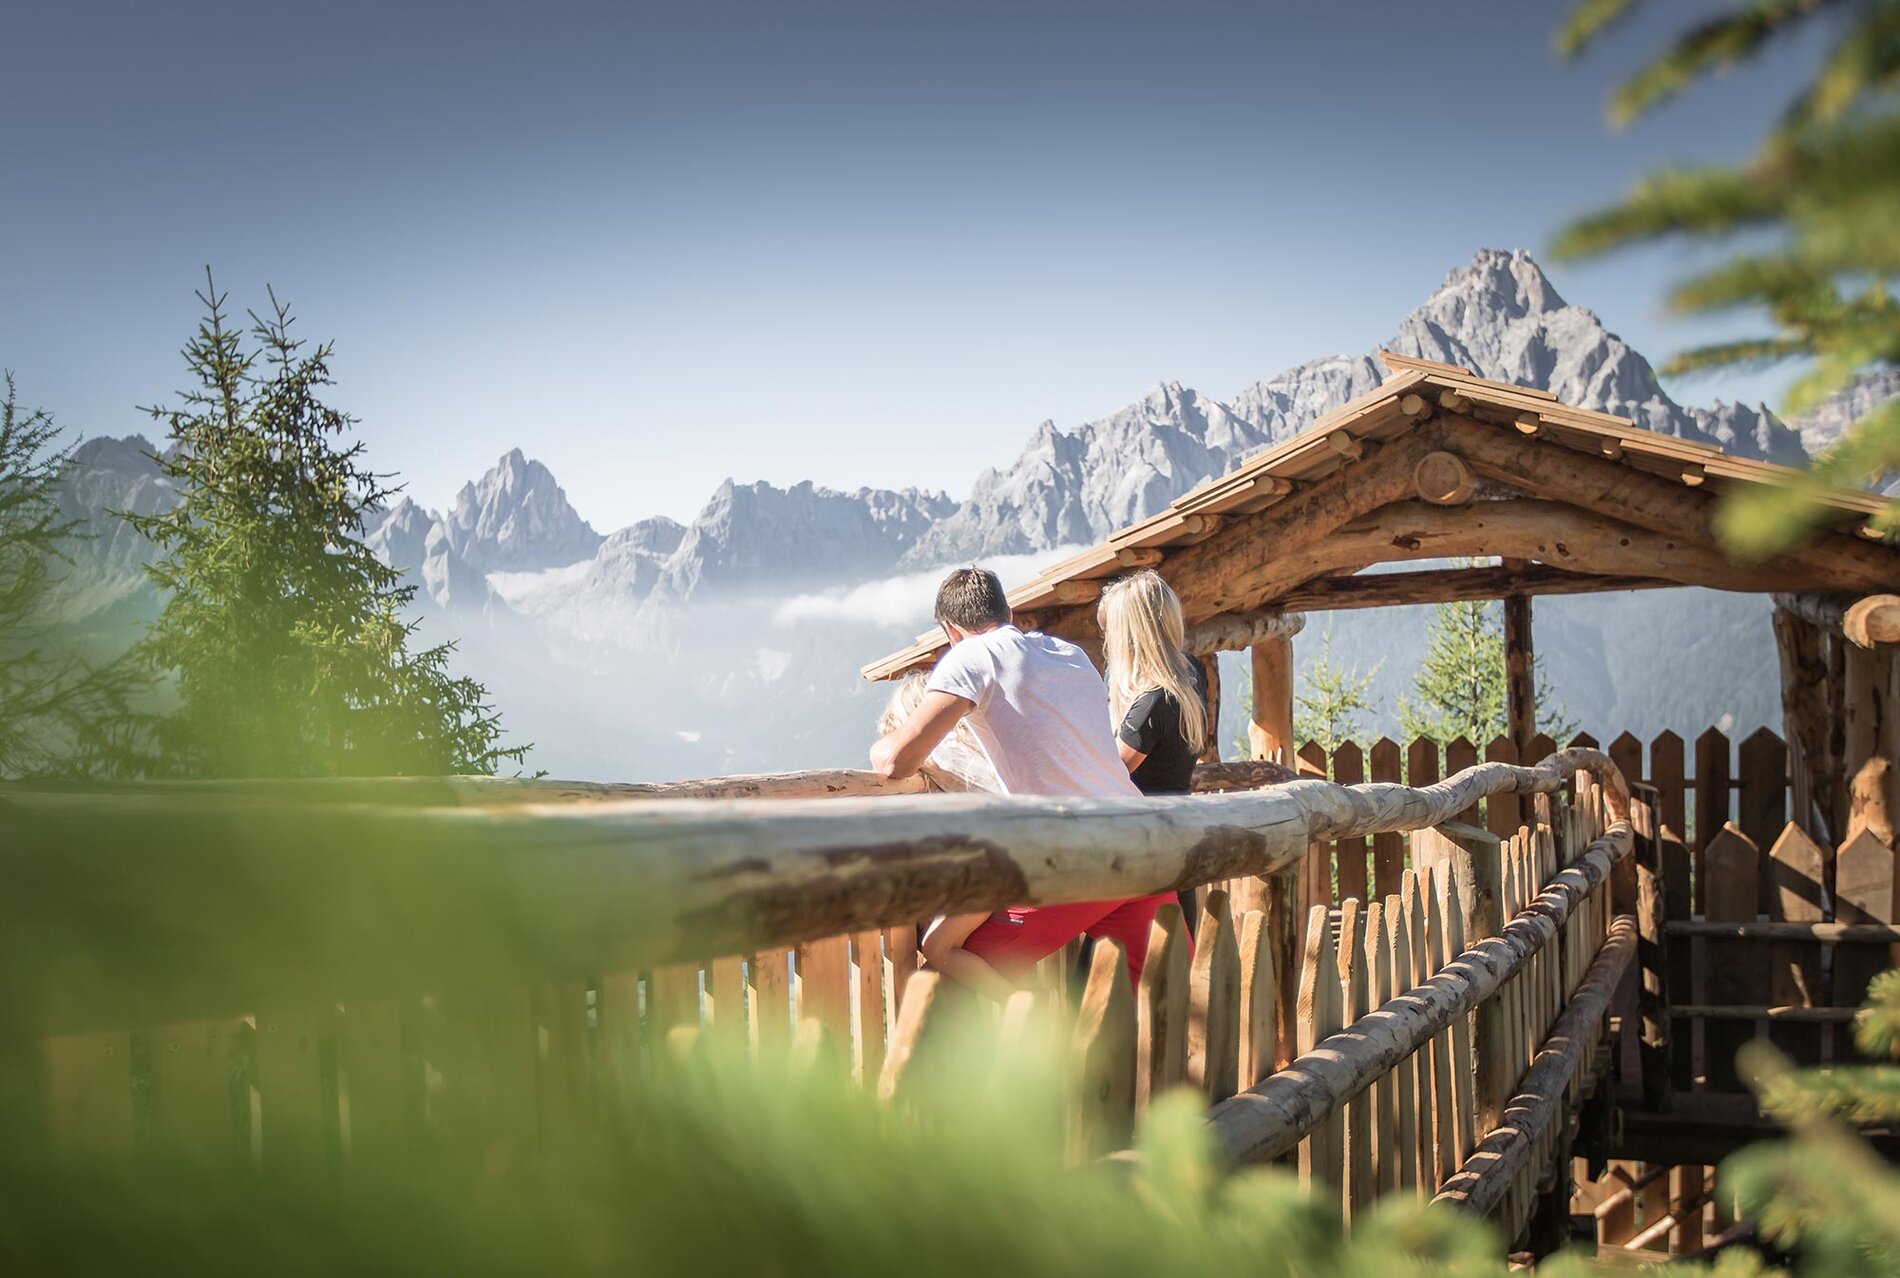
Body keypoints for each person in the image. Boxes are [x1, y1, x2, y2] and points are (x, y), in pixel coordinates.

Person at [869, 566, 1177, 997]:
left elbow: (896, 762)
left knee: (948, 981)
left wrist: (880, 749)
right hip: (1143, 844)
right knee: (1166, 997)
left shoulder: (969, 657)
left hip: (1076, 861)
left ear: (950, 631)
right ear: (1009, 611)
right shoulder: (1068, 653)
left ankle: (1030, 1034)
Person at [1097, 570, 1211, 933]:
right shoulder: (1189, 671)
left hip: (1144, 852)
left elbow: (1108, 773)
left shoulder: (1150, 704)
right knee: (1177, 963)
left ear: (1129, 633)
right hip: (1179, 836)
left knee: (1107, 976)